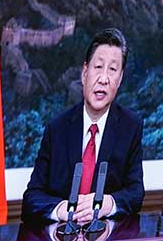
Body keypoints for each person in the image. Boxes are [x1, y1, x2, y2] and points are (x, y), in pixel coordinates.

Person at [22, 28, 144, 223]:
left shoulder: (130, 127)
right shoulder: (57, 130)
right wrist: (61, 209)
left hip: (107, 238)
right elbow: (32, 198)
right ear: (85, 73)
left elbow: (135, 192)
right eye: (98, 67)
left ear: (120, 79)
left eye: (112, 70)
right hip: (62, 236)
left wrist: (109, 203)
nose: (103, 79)